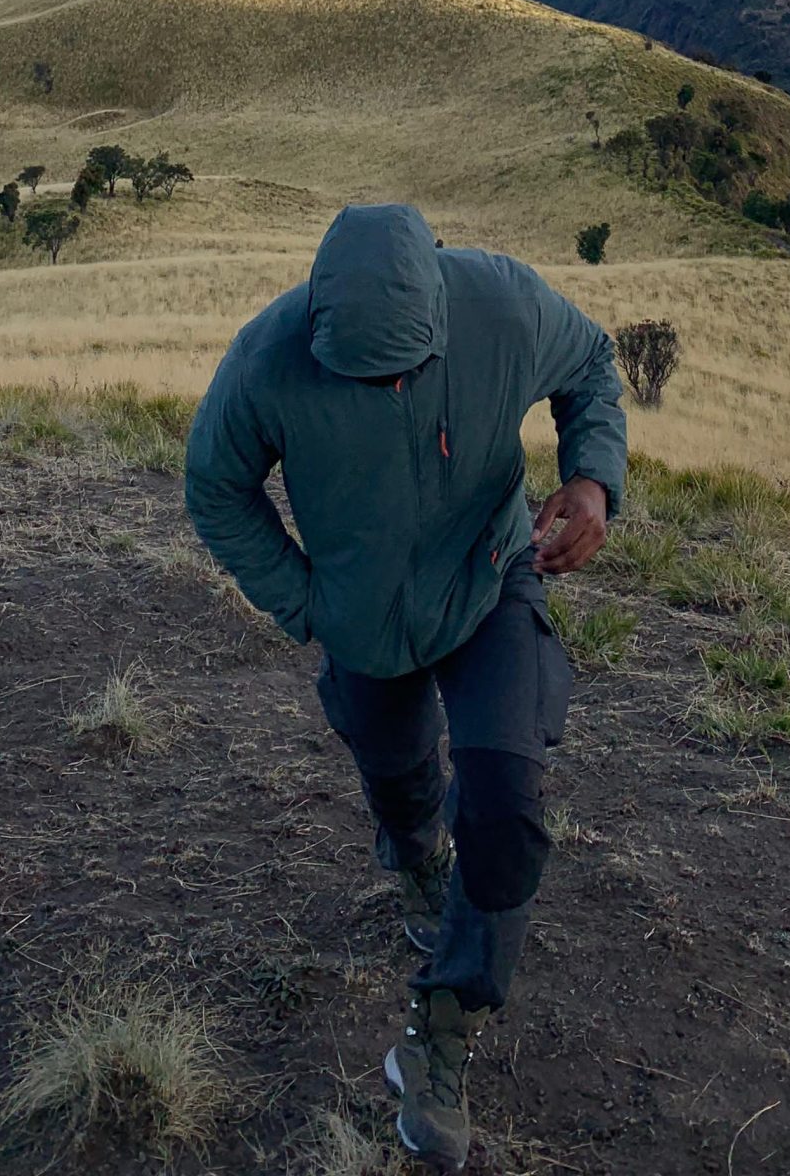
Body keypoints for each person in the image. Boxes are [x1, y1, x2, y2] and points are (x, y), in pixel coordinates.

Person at [185, 202, 626, 1169]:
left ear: (437, 318)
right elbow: (212, 483)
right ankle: (418, 850)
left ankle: (445, 1018)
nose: (384, 382)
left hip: (488, 573)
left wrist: (591, 480)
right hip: (362, 616)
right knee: (393, 770)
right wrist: (306, 601)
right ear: (317, 324)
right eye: (361, 373)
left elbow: (591, 363)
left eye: (402, 368)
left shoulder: (500, 307)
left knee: (508, 801)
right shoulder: (269, 357)